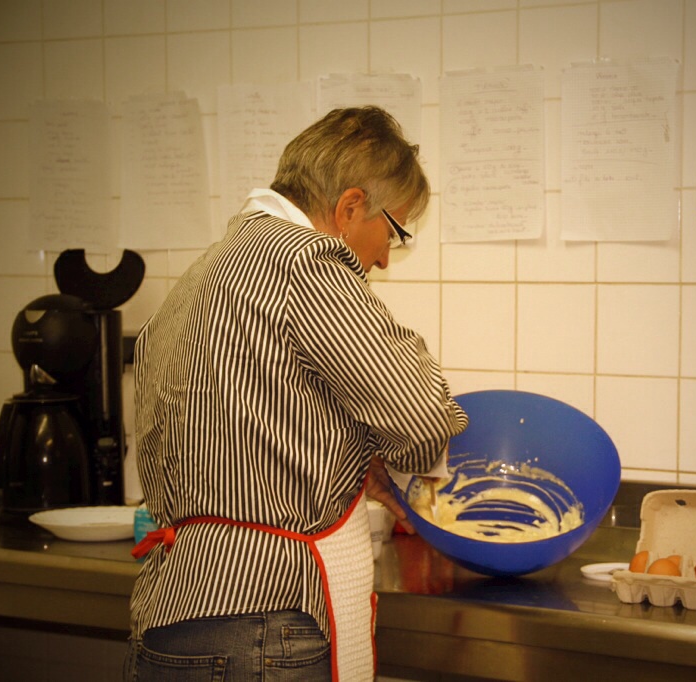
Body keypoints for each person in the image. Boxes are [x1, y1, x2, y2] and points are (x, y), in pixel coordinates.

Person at [125, 106, 468, 681]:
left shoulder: (204, 273)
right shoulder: (305, 261)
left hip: (172, 615)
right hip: (262, 624)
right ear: (350, 207)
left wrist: (351, 459)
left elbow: (252, 428)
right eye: (394, 231)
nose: (385, 257)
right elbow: (422, 420)